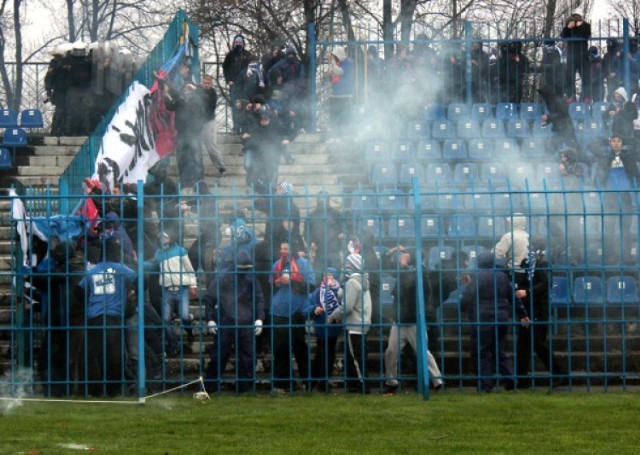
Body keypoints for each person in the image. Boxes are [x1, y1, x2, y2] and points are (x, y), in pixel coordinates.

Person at [460, 252, 529, 392]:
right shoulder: (502, 276)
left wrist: (462, 308)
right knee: (500, 350)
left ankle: (485, 385)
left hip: (482, 318)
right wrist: (523, 314)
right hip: (501, 317)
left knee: (482, 351)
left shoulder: (477, 277)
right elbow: (513, 297)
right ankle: (510, 379)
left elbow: (467, 296)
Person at [77, 237, 137, 396]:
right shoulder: (120, 269)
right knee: (115, 355)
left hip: (94, 317)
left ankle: (89, 389)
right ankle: (114, 389)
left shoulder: (93, 270)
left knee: (91, 354)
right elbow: (138, 278)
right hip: (113, 316)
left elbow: (81, 289)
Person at [204, 250, 265, 394]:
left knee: (248, 357)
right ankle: (211, 386)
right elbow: (210, 298)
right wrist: (211, 319)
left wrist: (259, 318)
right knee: (220, 355)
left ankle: (245, 388)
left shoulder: (249, 277)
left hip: (243, 321)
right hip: (227, 321)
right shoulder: (224, 277)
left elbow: (259, 298)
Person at [383, 251, 444, 394]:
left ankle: (437, 381)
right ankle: (391, 382)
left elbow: (409, 289)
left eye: (405, 255)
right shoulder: (404, 272)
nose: (402, 258)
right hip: (400, 320)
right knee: (391, 351)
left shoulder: (419, 274)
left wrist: (404, 268)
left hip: (413, 321)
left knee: (423, 352)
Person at [515, 248, 569, 388]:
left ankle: (560, 373)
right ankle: (522, 380)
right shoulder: (526, 262)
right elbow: (521, 279)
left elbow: (545, 284)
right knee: (524, 343)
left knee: (537, 342)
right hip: (527, 307)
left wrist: (527, 292)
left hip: (538, 308)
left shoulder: (542, 263)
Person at [269, 239, 315, 392]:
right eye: (281, 248)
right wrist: (278, 283)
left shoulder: (303, 264)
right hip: (278, 311)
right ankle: (283, 384)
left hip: (296, 311)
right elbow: (271, 285)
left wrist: (291, 282)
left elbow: (310, 286)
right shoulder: (277, 265)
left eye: (286, 248)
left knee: (299, 347)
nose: (283, 251)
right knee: (280, 348)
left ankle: (308, 381)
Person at [145, 230, 198, 356]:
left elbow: (189, 269)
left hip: (182, 289)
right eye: (161, 238)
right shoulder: (159, 254)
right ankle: (174, 345)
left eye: (165, 238)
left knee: (184, 316)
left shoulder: (180, 251)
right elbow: (152, 265)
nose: (163, 240)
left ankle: (190, 331)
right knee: (166, 320)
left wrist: (193, 285)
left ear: (171, 238)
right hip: (167, 291)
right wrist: (138, 262)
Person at [328, 253, 372, 393]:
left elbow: (347, 306)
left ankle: (363, 386)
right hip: (362, 323)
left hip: (354, 325)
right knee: (359, 356)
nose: (344, 267)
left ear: (353, 266)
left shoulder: (352, 282)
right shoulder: (361, 281)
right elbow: (347, 295)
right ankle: (359, 384)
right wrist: (338, 288)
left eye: (347, 265)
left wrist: (333, 316)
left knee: (356, 358)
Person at [596, 134, 640, 258]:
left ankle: (627, 256)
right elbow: (592, 147)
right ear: (610, 143)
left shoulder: (628, 157)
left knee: (625, 229)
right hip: (610, 195)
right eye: (613, 141)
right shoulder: (606, 157)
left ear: (622, 143)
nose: (616, 143)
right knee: (609, 228)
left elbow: (636, 173)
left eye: (618, 141)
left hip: (625, 195)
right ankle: (611, 256)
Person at [304, 268, 343, 392]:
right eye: (325, 275)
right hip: (321, 329)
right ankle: (319, 381)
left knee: (328, 355)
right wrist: (315, 309)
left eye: (330, 275)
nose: (327, 278)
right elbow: (306, 308)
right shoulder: (317, 292)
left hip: (333, 330)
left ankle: (322, 381)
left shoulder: (339, 291)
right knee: (321, 356)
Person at [163, 80, 206, 189]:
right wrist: (166, 94)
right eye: (186, 88)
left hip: (194, 133)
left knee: (196, 157)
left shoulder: (198, 99)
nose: (187, 89)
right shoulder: (180, 101)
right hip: (182, 132)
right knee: (182, 157)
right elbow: (170, 105)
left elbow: (204, 97)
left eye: (189, 87)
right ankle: (184, 182)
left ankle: (199, 182)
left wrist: (195, 89)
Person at [223, 34, 254, 133]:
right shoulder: (230, 55)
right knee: (235, 105)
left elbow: (251, 67)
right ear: (234, 43)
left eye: (240, 42)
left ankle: (245, 128)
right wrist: (229, 80)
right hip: (234, 85)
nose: (238, 44)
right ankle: (236, 127)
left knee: (245, 104)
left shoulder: (247, 54)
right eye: (236, 42)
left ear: (243, 43)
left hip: (245, 85)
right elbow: (225, 69)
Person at [561, 9, 591, 102]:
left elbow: (587, 35)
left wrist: (580, 26)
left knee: (585, 76)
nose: (576, 18)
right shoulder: (570, 25)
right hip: (572, 55)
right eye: (574, 16)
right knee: (570, 76)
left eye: (577, 16)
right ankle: (571, 96)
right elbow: (563, 36)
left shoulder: (586, 25)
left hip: (583, 55)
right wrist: (568, 28)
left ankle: (587, 96)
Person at [493, 213, 530, 289]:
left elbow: (496, 254)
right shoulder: (527, 235)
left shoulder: (509, 236)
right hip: (527, 273)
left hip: (513, 273)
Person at [200, 74, 226, 174]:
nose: (206, 85)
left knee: (210, 145)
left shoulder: (212, 93)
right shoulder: (199, 91)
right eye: (204, 83)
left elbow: (210, 105)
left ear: (211, 84)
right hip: (198, 122)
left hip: (208, 121)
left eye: (208, 83)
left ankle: (221, 166)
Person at [326, 46, 354, 138]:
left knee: (345, 118)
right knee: (335, 118)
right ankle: (336, 136)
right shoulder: (336, 64)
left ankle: (345, 137)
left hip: (345, 95)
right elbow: (333, 78)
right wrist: (330, 75)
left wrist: (333, 64)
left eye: (335, 56)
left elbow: (339, 72)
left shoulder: (348, 63)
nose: (334, 58)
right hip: (335, 95)